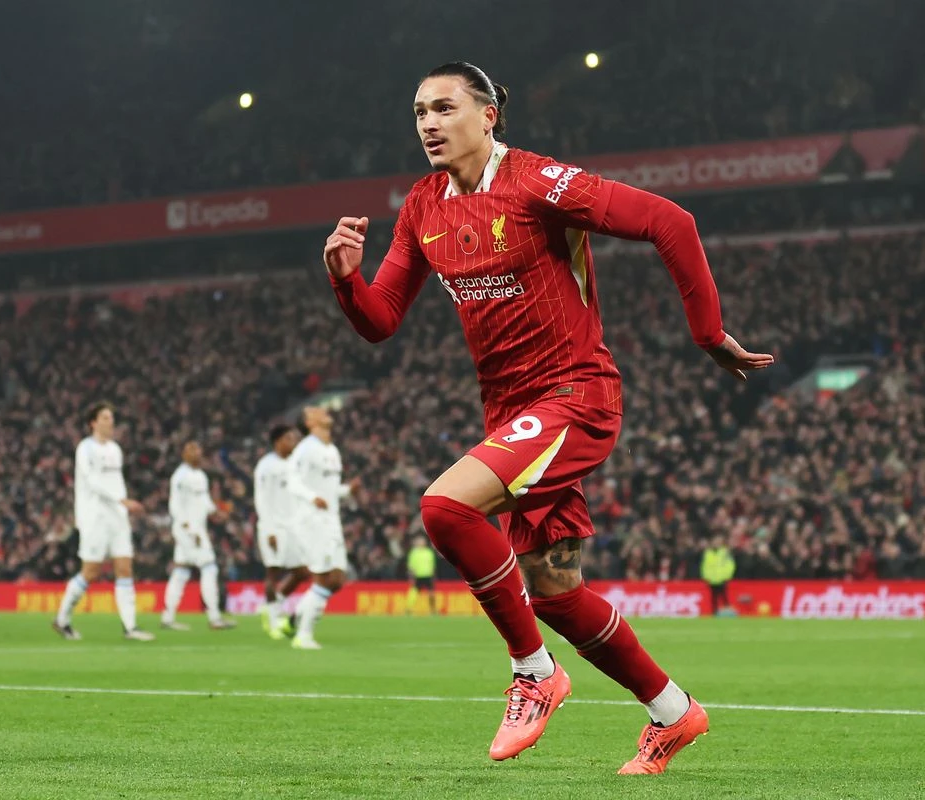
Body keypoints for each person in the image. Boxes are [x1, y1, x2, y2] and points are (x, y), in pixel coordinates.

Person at [324, 61, 773, 774]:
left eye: (444, 108)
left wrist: (708, 333)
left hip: (575, 396)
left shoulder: (537, 183)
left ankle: (534, 672)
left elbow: (671, 221)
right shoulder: (422, 206)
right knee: (558, 595)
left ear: (488, 115)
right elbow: (380, 322)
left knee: (444, 508)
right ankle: (673, 713)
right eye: (419, 113)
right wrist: (347, 279)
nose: (429, 124)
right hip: (511, 416)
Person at [52, 402, 155, 641]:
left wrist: (123, 506)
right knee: (90, 572)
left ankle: (130, 627)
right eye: (106, 418)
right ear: (93, 423)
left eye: (112, 417)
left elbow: (116, 482)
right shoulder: (85, 449)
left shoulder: (115, 449)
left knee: (125, 568)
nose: (111, 422)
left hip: (117, 517)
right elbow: (92, 483)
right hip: (94, 517)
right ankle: (62, 619)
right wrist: (122, 500)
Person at [287, 406, 359, 649]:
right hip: (312, 520)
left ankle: (295, 618)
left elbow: (330, 490)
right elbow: (293, 482)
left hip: (330, 520)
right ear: (309, 423)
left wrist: (348, 491)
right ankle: (303, 635)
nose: (322, 411)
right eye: (314, 411)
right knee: (324, 577)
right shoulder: (305, 449)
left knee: (337, 580)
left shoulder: (332, 450)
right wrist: (312, 497)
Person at [253, 423, 326, 640]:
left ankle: (272, 606)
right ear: (278, 442)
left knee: (302, 572)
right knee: (273, 572)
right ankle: (273, 622)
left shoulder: (295, 465)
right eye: (289, 439)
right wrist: (269, 529)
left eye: (294, 438)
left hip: (294, 527)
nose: (294, 442)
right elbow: (261, 499)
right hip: (273, 527)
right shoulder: (266, 466)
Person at [160, 441, 237, 631]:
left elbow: (204, 502)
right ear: (184, 454)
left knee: (181, 571)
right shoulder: (180, 476)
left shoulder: (201, 476)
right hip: (188, 529)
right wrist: (188, 529)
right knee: (209, 567)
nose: (197, 455)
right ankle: (214, 617)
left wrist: (216, 512)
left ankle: (168, 617)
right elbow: (175, 505)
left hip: (197, 529)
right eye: (192, 451)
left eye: (199, 451)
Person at [701, 535, 736, 616]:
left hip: (722, 578)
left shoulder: (725, 552)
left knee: (724, 597)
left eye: (718, 542)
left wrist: (727, 576)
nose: (716, 543)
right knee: (714, 597)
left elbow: (730, 565)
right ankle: (714, 613)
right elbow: (704, 566)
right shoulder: (708, 553)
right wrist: (706, 577)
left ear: (721, 543)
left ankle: (728, 613)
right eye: (715, 542)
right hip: (712, 579)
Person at [405, 534, 438, 615]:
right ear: (416, 542)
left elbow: (432, 565)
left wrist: (433, 575)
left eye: (422, 541)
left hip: (428, 575)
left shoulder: (429, 552)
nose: (421, 542)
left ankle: (433, 610)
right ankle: (409, 608)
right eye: (419, 541)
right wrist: (411, 577)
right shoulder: (414, 553)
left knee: (431, 593)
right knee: (414, 593)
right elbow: (411, 566)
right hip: (418, 576)